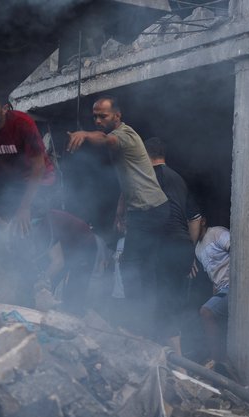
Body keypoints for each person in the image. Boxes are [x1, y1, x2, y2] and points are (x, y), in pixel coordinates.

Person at [67, 96, 169, 335]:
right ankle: (147, 324)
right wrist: (121, 211)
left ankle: (137, 323)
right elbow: (129, 178)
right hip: (146, 211)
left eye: (103, 116)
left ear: (117, 116)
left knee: (131, 264)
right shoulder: (120, 139)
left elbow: (105, 139)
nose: (98, 120)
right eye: (95, 116)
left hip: (151, 211)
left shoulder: (126, 135)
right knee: (144, 268)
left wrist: (84, 134)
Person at [0, 87, 56, 236]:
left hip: (38, 179)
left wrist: (25, 208)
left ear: (4, 109)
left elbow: (39, 167)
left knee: (30, 216)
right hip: (7, 179)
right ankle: (0, 229)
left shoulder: (23, 123)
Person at [143, 137, 202, 355]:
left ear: (145, 155)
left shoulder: (148, 176)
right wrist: (188, 250)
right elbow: (195, 218)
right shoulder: (179, 180)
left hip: (163, 246)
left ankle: (175, 361)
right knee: (173, 302)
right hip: (181, 248)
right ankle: (171, 357)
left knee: (158, 301)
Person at [195, 217, 231, 369]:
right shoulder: (197, 248)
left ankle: (217, 361)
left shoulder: (217, 232)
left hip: (233, 287)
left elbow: (239, 251)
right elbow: (213, 276)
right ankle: (221, 360)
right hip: (222, 289)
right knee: (211, 314)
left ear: (203, 221)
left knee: (206, 312)